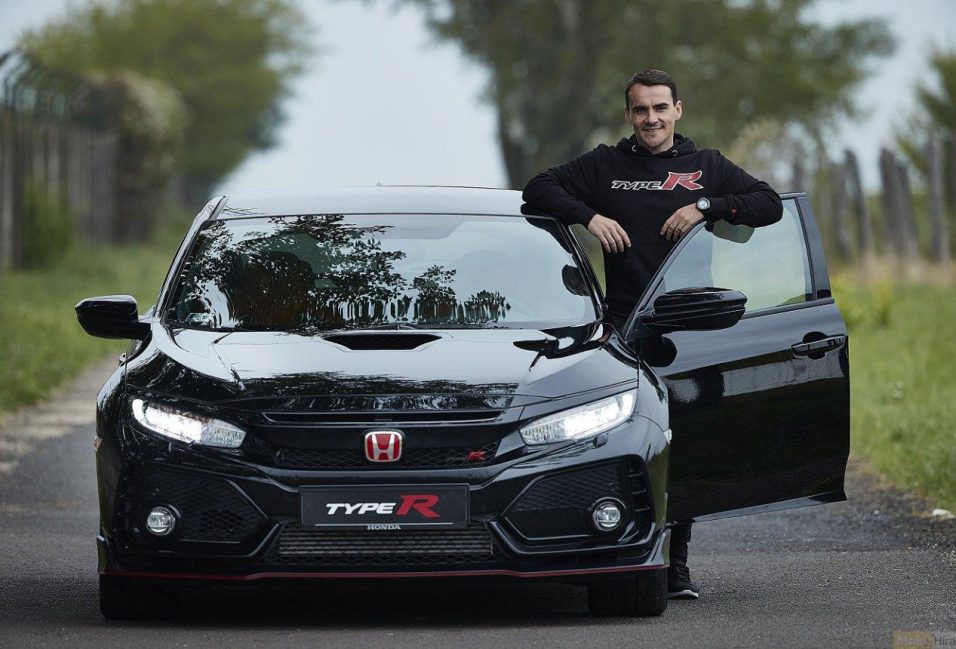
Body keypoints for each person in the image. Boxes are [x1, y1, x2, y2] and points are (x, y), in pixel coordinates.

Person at [521, 69, 783, 600]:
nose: (651, 119)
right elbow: (537, 189)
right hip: (624, 332)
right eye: (640, 109)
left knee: (685, 448)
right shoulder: (605, 165)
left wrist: (705, 206)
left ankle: (675, 564)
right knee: (628, 444)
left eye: (660, 108)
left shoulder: (707, 167)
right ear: (628, 115)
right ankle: (620, 553)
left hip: (690, 327)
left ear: (677, 110)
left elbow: (769, 204)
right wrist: (589, 216)